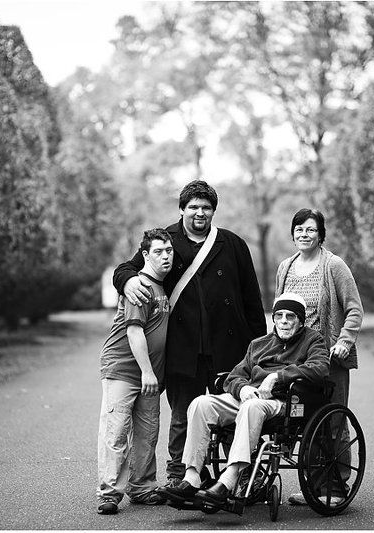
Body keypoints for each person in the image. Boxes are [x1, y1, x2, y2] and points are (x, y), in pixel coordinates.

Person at [113, 180, 267, 487]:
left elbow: (252, 300)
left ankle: (237, 476)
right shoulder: (165, 240)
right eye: (193, 207)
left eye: (206, 208)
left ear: (213, 211)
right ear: (182, 209)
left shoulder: (232, 244)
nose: (200, 213)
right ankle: (179, 475)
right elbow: (125, 269)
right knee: (183, 415)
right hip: (183, 348)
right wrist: (128, 281)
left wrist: (258, 352)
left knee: (231, 413)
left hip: (229, 348)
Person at [161, 293, 329, 509]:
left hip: (283, 401)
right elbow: (233, 376)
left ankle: (228, 480)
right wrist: (243, 388)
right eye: (279, 315)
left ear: (301, 321)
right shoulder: (259, 344)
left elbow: (320, 368)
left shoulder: (313, 340)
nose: (284, 321)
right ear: (274, 319)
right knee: (200, 404)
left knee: (251, 407)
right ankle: (192, 476)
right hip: (250, 398)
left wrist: (277, 376)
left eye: (291, 316)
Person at [274, 208, 363, 506]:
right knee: (303, 421)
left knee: (332, 420)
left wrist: (344, 342)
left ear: (321, 234)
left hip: (329, 357)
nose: (304, 233)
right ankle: (313, 485)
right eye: (299, 228)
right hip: (295, 357)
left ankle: (336, 486)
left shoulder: (334, 266)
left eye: (310, 229)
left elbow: (354, 309)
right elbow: (280, 312)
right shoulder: (285, 267)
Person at [96, 228, 174, 515]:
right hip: (124, 369)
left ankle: (142, 487)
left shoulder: (163, 286)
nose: (165, 256)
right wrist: (148, 372)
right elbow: (134, 332)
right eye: (158, 252)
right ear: (145, 255)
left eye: (168, 251)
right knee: (116, 430)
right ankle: (109, 493)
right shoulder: (139, 286)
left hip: (149, 375)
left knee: (147, 431)